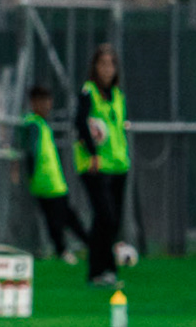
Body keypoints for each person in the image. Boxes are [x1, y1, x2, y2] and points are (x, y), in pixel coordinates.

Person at [75, 44, 132, 287]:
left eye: (111, 64)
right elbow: (80, 124)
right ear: (95, 67)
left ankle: (104, 270)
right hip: (96, 167)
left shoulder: (118, 96)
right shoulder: (89, 92)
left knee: (112, 219)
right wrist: (93, 154)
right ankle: (100, 270)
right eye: (103, 64)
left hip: (118, 165)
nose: (107, 69)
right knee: (105, 216)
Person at [15, 85, 84, 264]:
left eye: (49, 101)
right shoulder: (32, 123)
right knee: (56, 220)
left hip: (54, 182)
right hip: (44, 182)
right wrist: (30, 175)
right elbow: (30, 152)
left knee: (67, 217)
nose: (48, 105)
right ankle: (62, 250)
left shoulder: (43, 124)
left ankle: (87, 245)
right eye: (43, 101)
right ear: (34, 102)